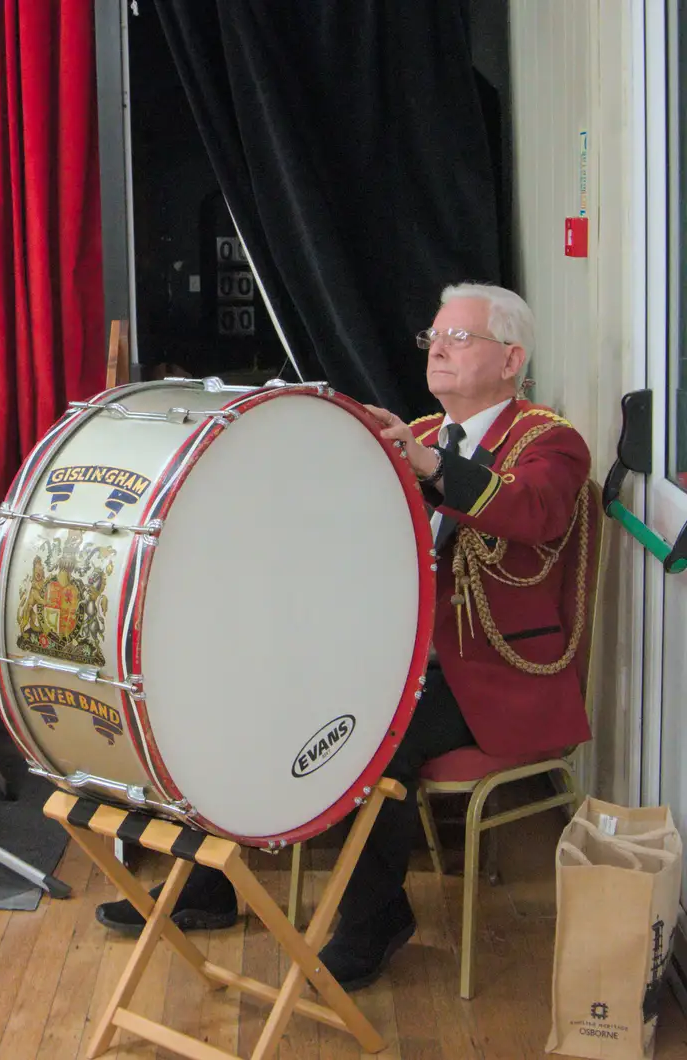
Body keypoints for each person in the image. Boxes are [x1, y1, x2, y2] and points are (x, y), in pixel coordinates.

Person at [95, 283, 594, 991]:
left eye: (459, 337)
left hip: (488, 672)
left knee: (365, 738)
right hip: (392, 655)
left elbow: (534, 512)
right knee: (237, 698)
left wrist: (426, 468)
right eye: (434, 337)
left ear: (511, 359)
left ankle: (374, 921)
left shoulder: (550, 441)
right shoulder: (419, 433)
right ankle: (209, 886)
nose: (439, 349)